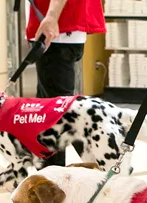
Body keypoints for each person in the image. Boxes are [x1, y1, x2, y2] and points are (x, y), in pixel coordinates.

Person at [27, 0, 105, 168]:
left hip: (56, 30)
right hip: (59, 29)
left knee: (53, 115)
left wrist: (51, 16)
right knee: (55, 110)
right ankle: (104, 162)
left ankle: (52, 180)